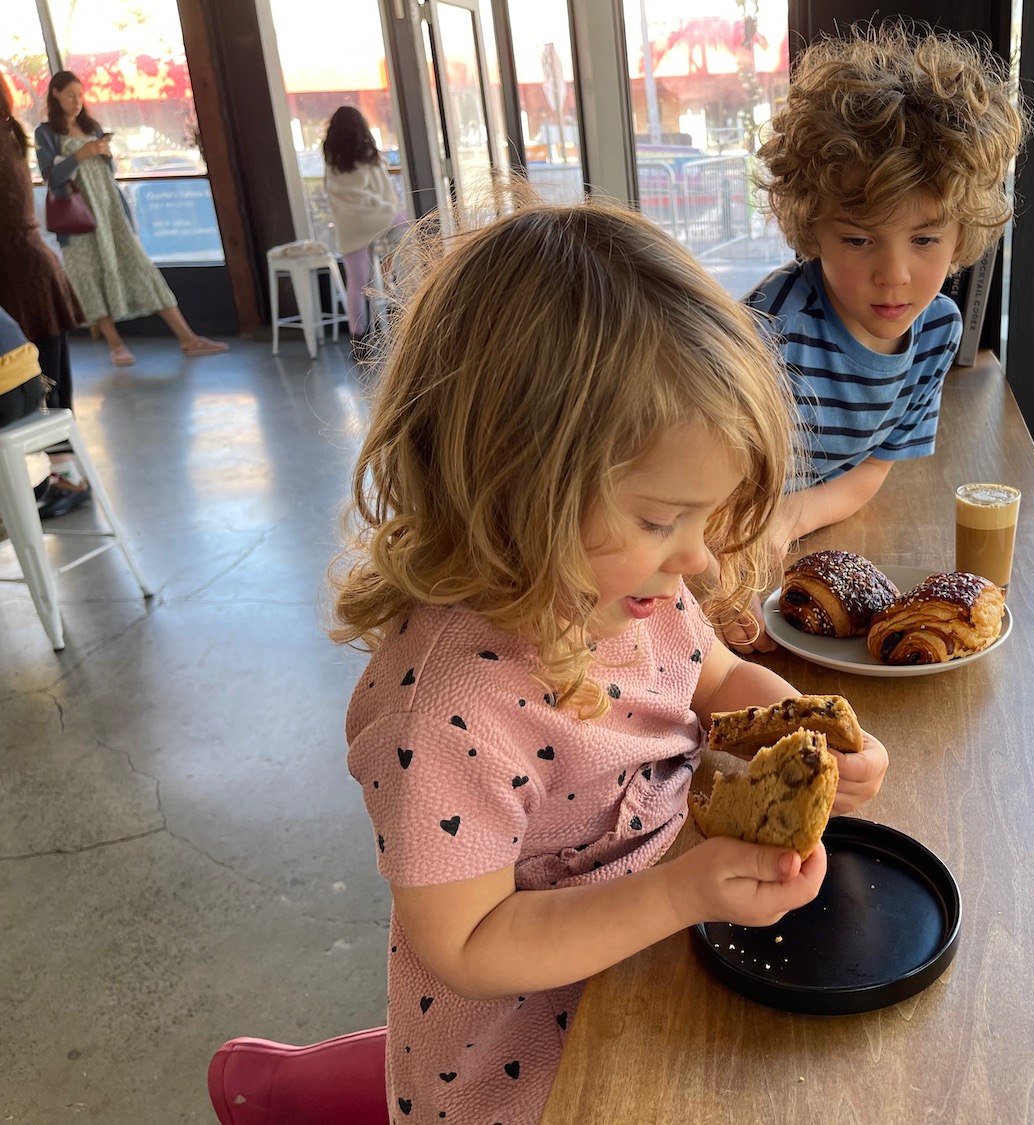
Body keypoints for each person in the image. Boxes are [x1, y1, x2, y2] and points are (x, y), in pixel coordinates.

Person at [329, 198, 889, 1125]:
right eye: (664, 519)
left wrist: (804, 726)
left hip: (663, 964)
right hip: (531, 1071)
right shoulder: (445, 712)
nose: (698, 561)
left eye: (705, 519)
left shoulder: (626, 584)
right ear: (513, 486)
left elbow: (714, 683)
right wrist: (678, 893)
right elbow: (467, 944)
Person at [730, 25, 1025, 651]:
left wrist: (792, 517)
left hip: (795, 540)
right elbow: (697, 479)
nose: (894, 276)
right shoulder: (768, 332)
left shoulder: (939, 331)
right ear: (812, 225)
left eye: (924, 240)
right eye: (859, 239)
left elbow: (872, 469)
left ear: (962, 232)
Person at [35, 71, 227, 368]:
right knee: (89, 278)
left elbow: (108, 172)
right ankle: (116, 345)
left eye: (80, 94)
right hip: (77, 219)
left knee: (141, 267)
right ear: (56, 94)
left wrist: (104, 152)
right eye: (70, 95)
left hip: (110, 210)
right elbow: (52, 177)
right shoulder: (45, 133)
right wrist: (81, 154)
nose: (77, 102)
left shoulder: (91, 126)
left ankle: (187, 337)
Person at [0, 81, 91, 517]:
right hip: (28, 272)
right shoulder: (9, 134)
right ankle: (64, 477)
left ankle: (70, 480)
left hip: (22, 277)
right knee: (49, 387)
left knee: (46, 392)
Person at [322, 106, 404, 338]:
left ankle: (358, 339)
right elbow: (383, 189)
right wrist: (389, 206)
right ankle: (398, 282)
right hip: (373, 215)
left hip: (348, 224)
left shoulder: (331, 157)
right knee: (407, 223)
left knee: (356, 283)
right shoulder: (366, 153)